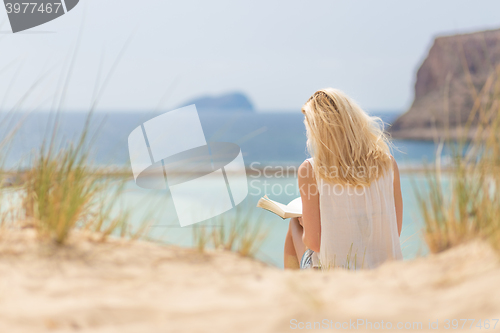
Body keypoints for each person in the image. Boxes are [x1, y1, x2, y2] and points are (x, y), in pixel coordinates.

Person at [284, 88, 403, 270]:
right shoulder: (389, 164)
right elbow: (396, 229)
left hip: (336, 274)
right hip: (385, 272)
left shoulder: (310, 169)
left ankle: (295, 293)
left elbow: (314, 243)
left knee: (294, 225)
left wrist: (306, 223)